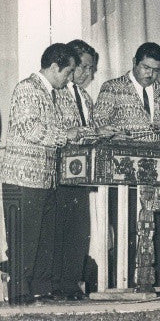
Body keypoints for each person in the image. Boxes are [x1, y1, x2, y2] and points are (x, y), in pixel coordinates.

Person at [93, 42, 160, 287]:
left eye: (156, 70)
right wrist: (114, 134)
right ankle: (124, 281)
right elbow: (98, 123)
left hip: (159, 173)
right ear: (134, 62)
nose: (150, 75)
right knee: (128, 228)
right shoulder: (112, 88)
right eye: (146, 68)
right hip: (124, 173)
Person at [0, 43, 82, 305]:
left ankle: (40, 290)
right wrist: (65, 135)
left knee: (43, 240)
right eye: (68, 72)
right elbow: (30, 130)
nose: (70, 79)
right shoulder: (28, 88)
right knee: (24, 240)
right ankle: (20, 294)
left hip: (44, 179)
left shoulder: (51, 94)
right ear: (54, 67)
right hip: (22, 178)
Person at [52, 40, 113, 299]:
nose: (89, 74)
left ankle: (70, 284)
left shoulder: (86, 98)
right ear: (72, 65)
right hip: (58, 172)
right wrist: (93, 132)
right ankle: (56, 286)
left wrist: (107, 133)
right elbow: (65, 131)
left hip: (80, 174)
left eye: (92, 68)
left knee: (79, 230)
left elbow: (90, 130)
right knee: (59, 230)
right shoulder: (56, 93)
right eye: (84, 67)